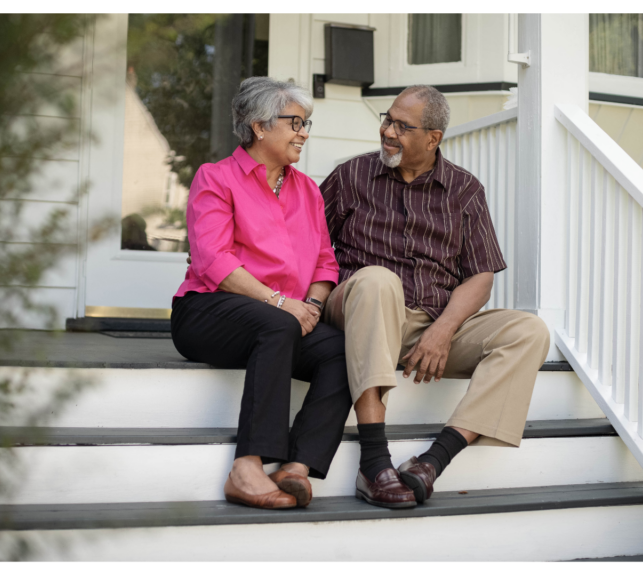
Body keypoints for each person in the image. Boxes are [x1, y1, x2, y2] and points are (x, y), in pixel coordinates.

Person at [319, 85, 551, 508]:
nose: (387, 131)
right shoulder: (350, 176)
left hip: (430, 324)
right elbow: (309, 247)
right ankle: (374, 461)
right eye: (387, 119)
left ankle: (433, 460)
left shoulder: (464, 190)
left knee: (528, 330)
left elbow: (480, 275)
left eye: (401, 126)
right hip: (362, 308)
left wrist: (443, 329)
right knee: (377, 280)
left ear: (433, 138)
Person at [170, 77, 352, 510]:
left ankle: (296, 467)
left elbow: (326, 261)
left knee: (344, 350)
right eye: (296, 123)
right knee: (278, 324)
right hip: (207, 313)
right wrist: (280, 303)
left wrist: (309, 305)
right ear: (259, 126)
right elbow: (214, 260)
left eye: (307, 124)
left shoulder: (307, 189)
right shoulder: (216, 178)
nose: (304, 133)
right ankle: (246, 467)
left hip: (284, 320)